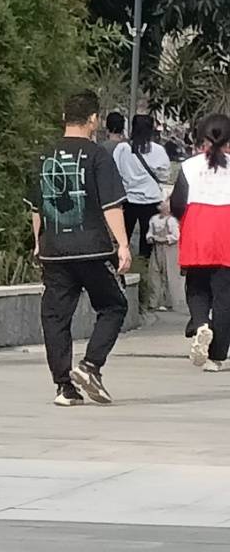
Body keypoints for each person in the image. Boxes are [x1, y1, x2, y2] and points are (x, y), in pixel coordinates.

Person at [27, 92, 132, 406]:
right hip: (92, 250)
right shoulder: (98, 156)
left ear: (64, 118)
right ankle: (90, 365)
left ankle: (64, 387)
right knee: (113, 306)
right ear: (93, 120)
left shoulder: (44, 157)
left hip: (54, 251)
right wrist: (123, 245)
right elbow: (111, 205)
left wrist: (38, 243)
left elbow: (37, 208)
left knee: (55, 317)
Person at [171, 113, 230, 372]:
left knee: (196, 287)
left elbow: (177, 204)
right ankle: (216, 357)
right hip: (227, 232)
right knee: (225, 297)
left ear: (202, 139)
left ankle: (201, 322)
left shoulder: (189, 166)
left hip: (198, 228)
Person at [111, 114, 173, 291]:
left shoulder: (122, 149)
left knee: (123, 239)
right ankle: (145, 280)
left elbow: (115, 172)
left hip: (128, 200)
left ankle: (121, 275)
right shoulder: (158, 151)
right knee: (148, 245)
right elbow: (164, 175)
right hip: (151, 201)